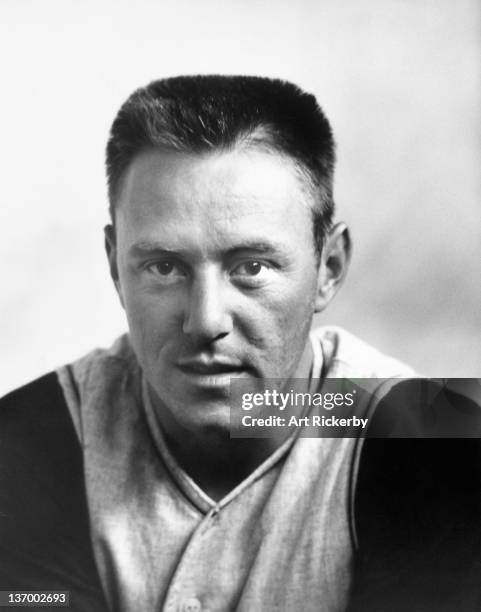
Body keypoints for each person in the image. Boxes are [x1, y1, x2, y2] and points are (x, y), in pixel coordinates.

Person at [1, 75, 479, 612]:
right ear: (115, 264)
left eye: (251, 267)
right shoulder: (24, 446)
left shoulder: (435, 451)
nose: (205, 321)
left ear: (329, 268)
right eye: (164, 267)